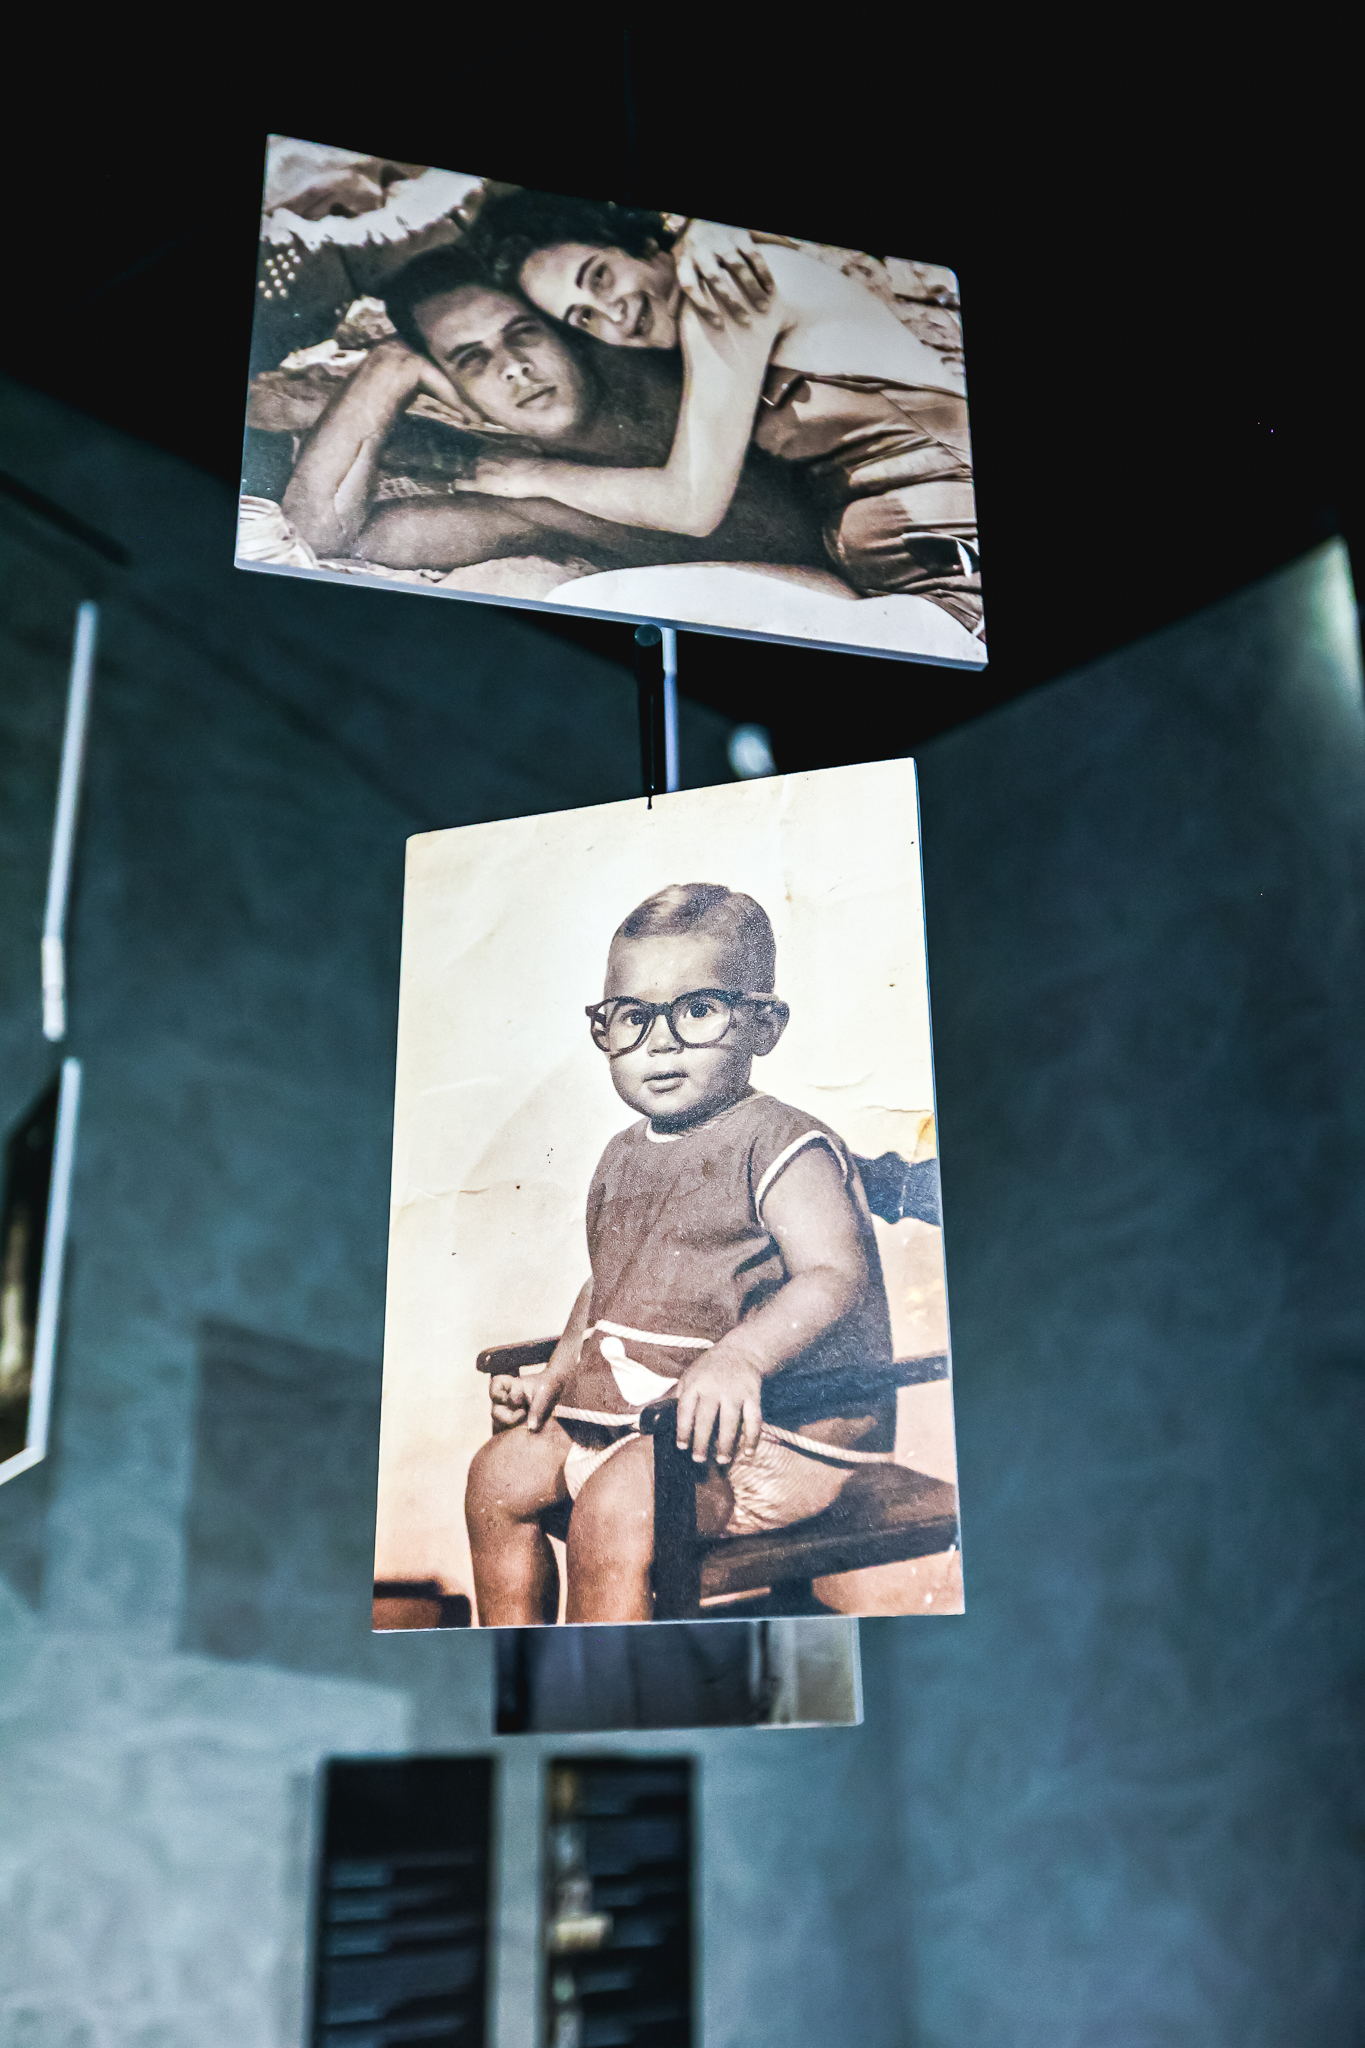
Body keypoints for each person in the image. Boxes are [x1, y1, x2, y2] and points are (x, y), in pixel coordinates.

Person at [464, 882, 896, 1626]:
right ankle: (518, 1665)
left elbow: (834, 1275)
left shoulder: (783, 1144)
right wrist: (561, 1371)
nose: (659, 1043)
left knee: (612, 1512)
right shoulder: (622, 1154)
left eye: (697, 1010)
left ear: (764, 1025)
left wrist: (741, 1357)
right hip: (651, 1418)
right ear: (603, 1028)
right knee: (496, 1478)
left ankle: (606, 1680)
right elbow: (610, 1281)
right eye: (633, 1017)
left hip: (778, 1427)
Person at [461, 191, 982, 634]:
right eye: (584, 317)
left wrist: (533, 475)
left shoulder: (725, 289)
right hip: (891, 588)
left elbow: (689, 503)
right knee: (587, 600)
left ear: (642, 243)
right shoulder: (698, 312)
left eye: (599, 278)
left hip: (958, 591)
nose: (612, 315)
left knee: (594, 602)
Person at [279, 245, 830, 585]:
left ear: (563, 330)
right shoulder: (527, 498)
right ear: (453, 388)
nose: (514, 367)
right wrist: (388, 365)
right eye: (472, 360)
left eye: (523, 334)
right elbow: (318, 535)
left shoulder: (651, 352)